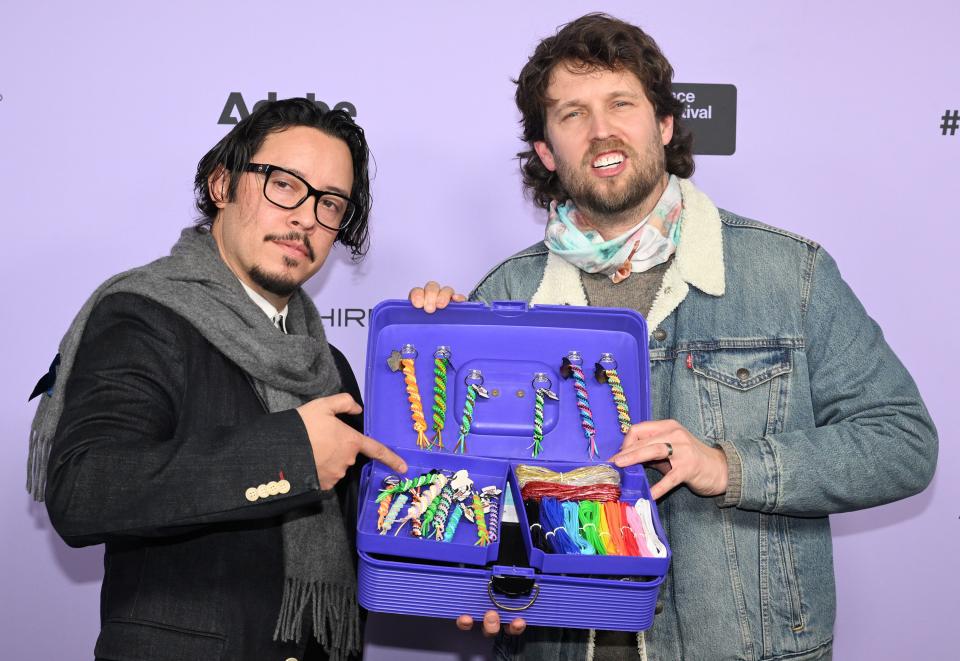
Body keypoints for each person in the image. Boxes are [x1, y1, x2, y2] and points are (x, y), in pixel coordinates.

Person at [411, 13, 938, 661]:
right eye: (572, 113)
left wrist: (729, 465)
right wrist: (485, 582)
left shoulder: (788, 273)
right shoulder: (504, 293)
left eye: (620, 104)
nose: (601, 129)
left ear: (663, 123)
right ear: (547, 151)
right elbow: (469, 498)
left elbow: (903, 442)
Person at [28, 98, 407, 661]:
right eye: (284, 184)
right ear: (223, 185)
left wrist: (436, 344)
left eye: (330, 203)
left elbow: (374, 538)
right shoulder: (144, 314)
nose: (306, 216)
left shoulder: (328, 365)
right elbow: (84, 490)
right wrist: (292, 453)